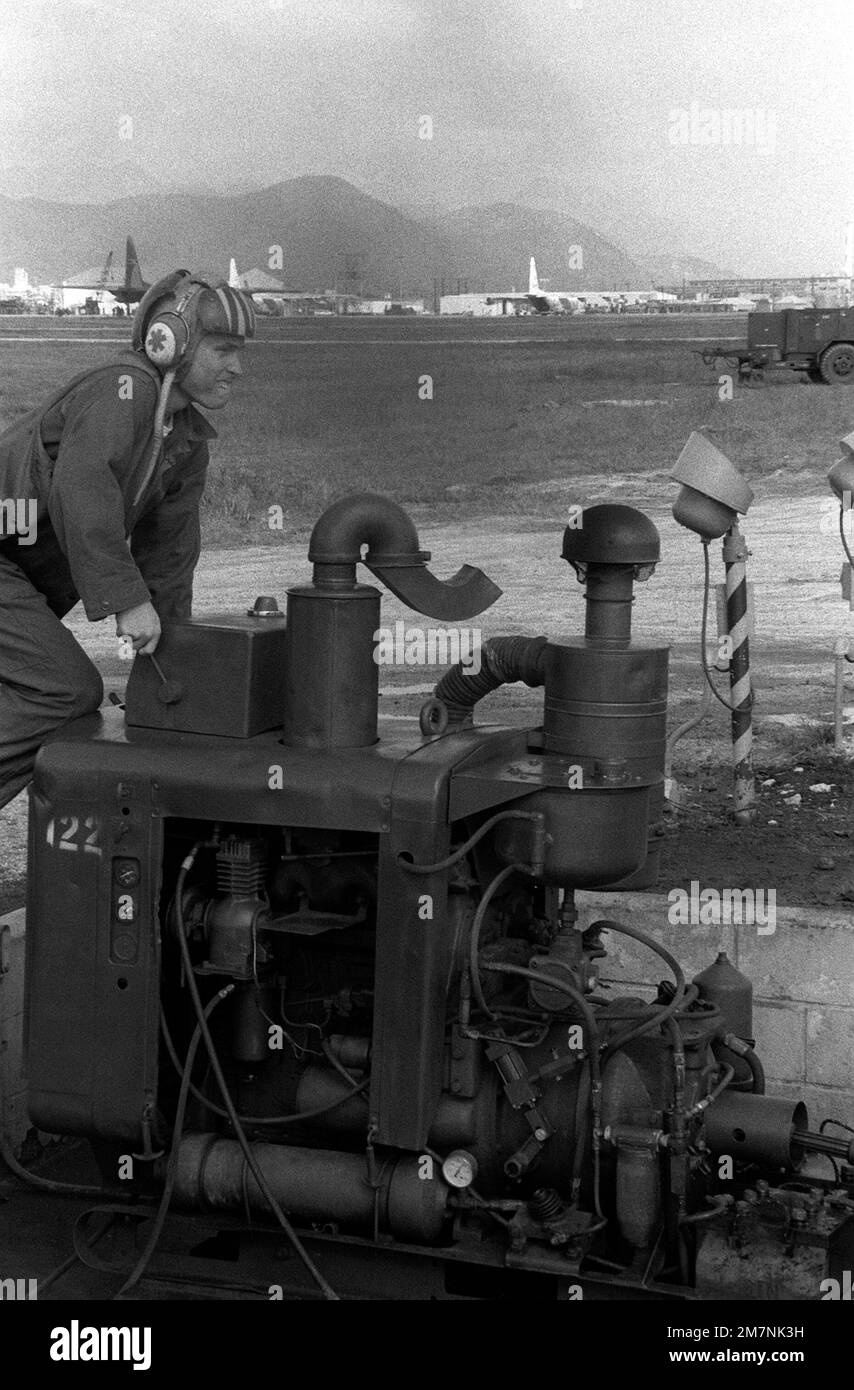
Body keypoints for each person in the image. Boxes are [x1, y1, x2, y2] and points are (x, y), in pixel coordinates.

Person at [0, 270, 256, 810]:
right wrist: (128, 600)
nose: (238, 367)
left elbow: (170, 554)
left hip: (14, 574)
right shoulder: (125, 389)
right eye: (224, 349)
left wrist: (171, 656)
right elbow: (82, 487)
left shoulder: (186, 439)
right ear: (170, 340)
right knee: (63, 690)